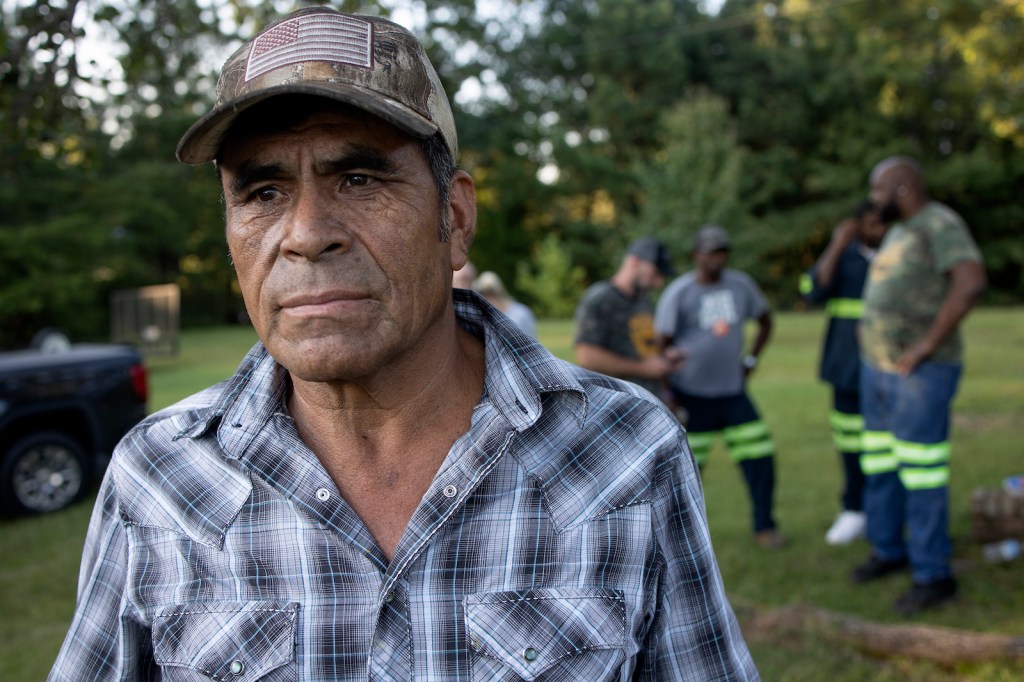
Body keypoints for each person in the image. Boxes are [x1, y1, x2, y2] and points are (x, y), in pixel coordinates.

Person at [50, 8, 758, 680]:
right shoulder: (157, 479)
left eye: (358, 178)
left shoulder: (628, 451)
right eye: (262, 191)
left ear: (454, 217)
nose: (304, 232)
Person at [853, 156, 986, 615]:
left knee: (921, 471)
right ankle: (889, 550)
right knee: (880, 462)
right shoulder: (896, 231)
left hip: (920, 373)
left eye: (878, 191)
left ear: (903, 188)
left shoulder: (939, 223)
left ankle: (934, 574)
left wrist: (927, 345)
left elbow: (969, 284)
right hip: (879, 370)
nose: (873, 200)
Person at [655, 225, 786, 550]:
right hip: (691, 395)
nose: (718, 258)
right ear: (697, 255)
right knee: (685, 472)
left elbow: (766, 320)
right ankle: (676, 539)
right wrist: (668, 392)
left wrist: (751, 360)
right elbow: (662, 344)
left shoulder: (741, 285)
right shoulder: (680, 291)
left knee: (760, 459)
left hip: (732, 392)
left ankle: (764, 526)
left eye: (722, 251)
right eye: (711, 252)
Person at [800, 200, 887, 545]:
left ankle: (884, 513)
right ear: (857, 226)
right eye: (869, 224)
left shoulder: (898, 255)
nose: (877, 231)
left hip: (889, 368)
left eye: (882, 224)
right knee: (850, 444)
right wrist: (837, 243)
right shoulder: (845, 256)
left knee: (885, 446)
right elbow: (812, 290)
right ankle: (854, 510)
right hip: (846, 368)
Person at [574, 237, 683, 397]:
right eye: (655, 272)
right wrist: (644, 368)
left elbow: (641, 345)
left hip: (649, 398)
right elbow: (588, 357)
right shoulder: (600, 298)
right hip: (617, 403)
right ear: (635, 261)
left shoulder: (644, 300)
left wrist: (665, 356)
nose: (658, 282)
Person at [472, 270, 537, 337]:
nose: (489, 298)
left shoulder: (521, 313)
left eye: (492, 293)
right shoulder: (479, 318)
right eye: (483, 293)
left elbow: (531, 340)